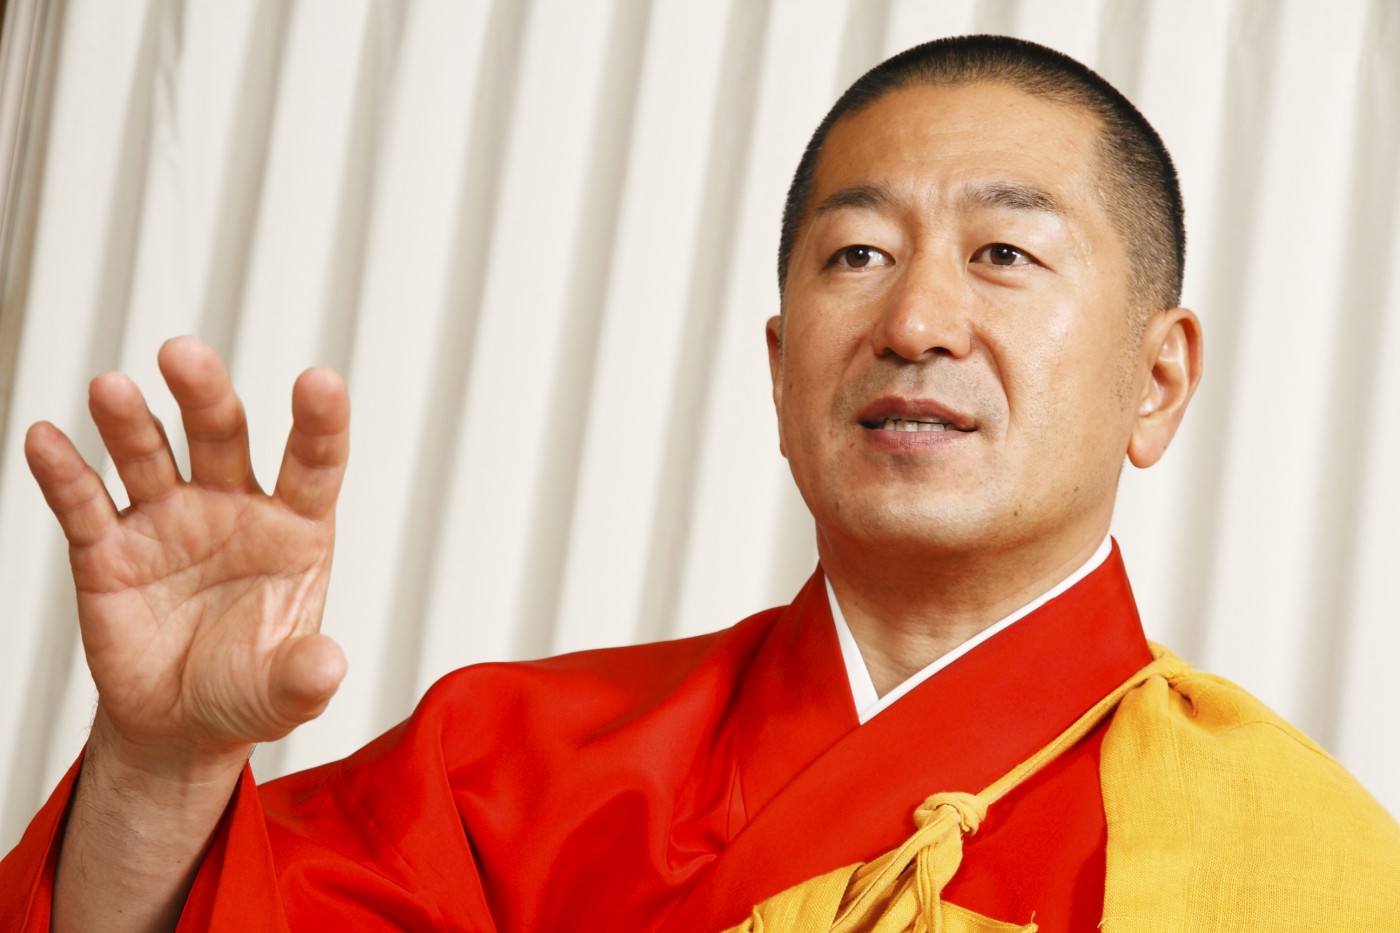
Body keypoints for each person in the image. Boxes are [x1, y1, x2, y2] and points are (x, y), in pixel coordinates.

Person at [2, 34, 1397, 933]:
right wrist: (160, 768)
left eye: (1004, 255)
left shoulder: (1292, 856)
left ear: (1158, 377)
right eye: (857, 255)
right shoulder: (506, 769)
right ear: (783, 373)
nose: (915, 320)